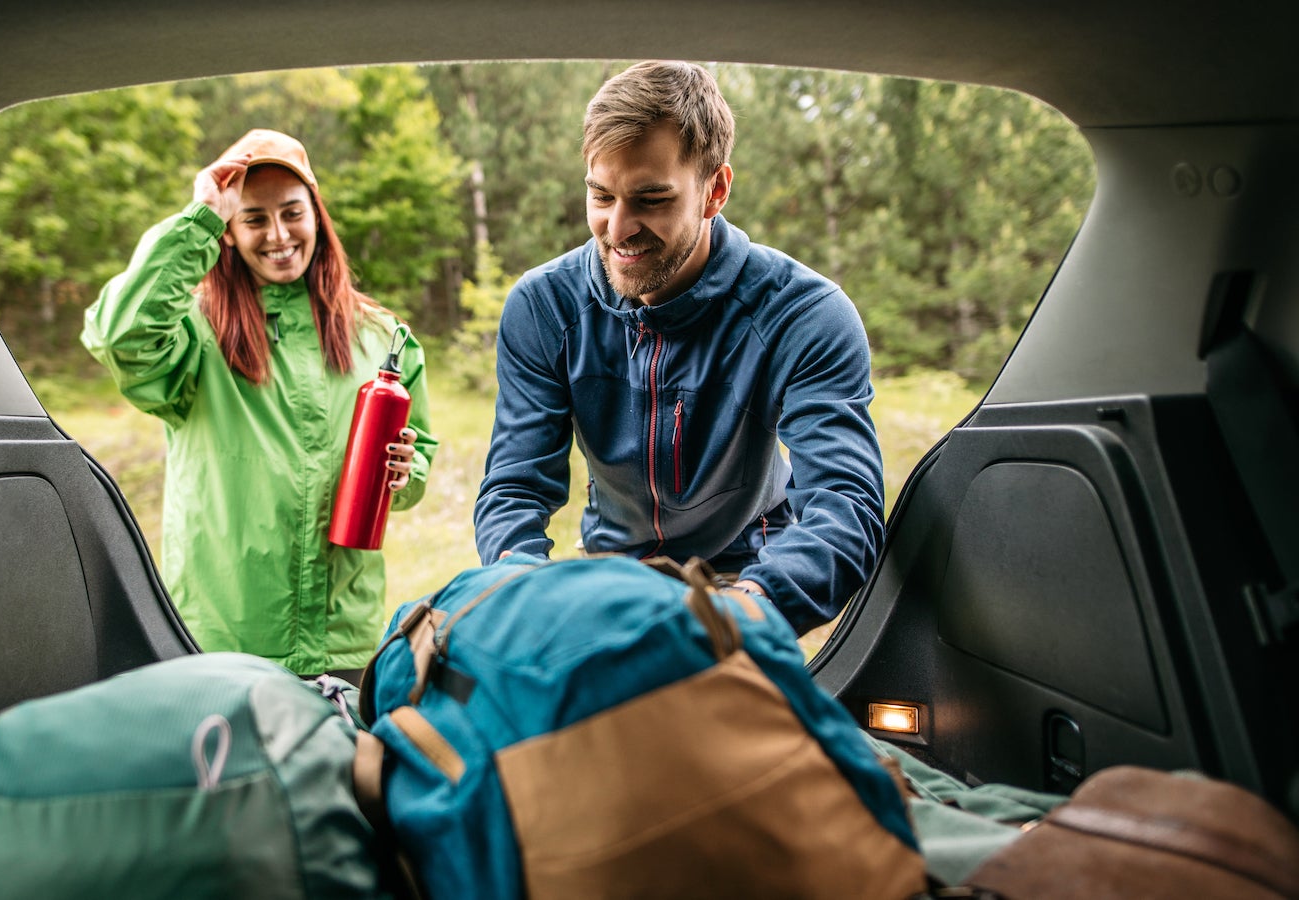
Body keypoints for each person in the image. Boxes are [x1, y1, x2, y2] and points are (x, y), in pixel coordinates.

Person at [473, 61, 883, 635]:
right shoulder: (544, 306)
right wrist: (525, 590)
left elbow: (844, 506)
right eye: (601, 196)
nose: (617, 230)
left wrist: (740, 613)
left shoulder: (804, 313)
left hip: (752, 574)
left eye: (651, 199)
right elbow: (516, 486)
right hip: (614, 574)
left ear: (714, 190)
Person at [84, 128, 438, 682]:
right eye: (253, 219)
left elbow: (418, 461)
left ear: (317, 215)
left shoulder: (381, 336)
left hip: (344, 637)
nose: (278, 234)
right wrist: (200, 217)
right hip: (222, 635)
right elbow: (119, 334)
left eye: (292, 212)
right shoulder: (195, 331)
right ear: (228, 232)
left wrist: (403, 472)